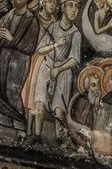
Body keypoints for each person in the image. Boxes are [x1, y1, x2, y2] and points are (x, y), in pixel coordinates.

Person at [22, 0, 82, 140]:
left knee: (65, 77)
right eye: (70, 5)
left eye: (77, 7)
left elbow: (74, 59)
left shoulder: (76, 34)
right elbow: (40, 49)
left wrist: (59, 68)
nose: (74, 10)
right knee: (40, 92)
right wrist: (55, 45)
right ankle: (37, 134)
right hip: (48, 64)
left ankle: (59, 135)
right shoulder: (54, 27)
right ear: (62, 7)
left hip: (62, 69)